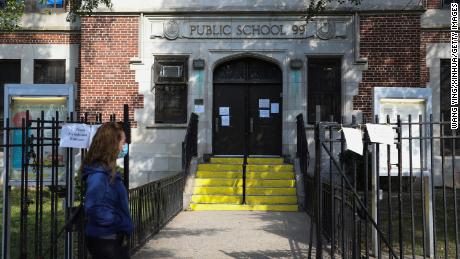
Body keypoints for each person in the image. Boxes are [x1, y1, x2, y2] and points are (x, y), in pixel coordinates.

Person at [82, 122, 133, 259]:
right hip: (106, 240)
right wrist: (119, 221)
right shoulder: (98, 175)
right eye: (122, 142)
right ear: (112, 145)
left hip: (111, 238)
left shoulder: (106, 171)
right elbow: (92, 207)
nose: (124, 147)